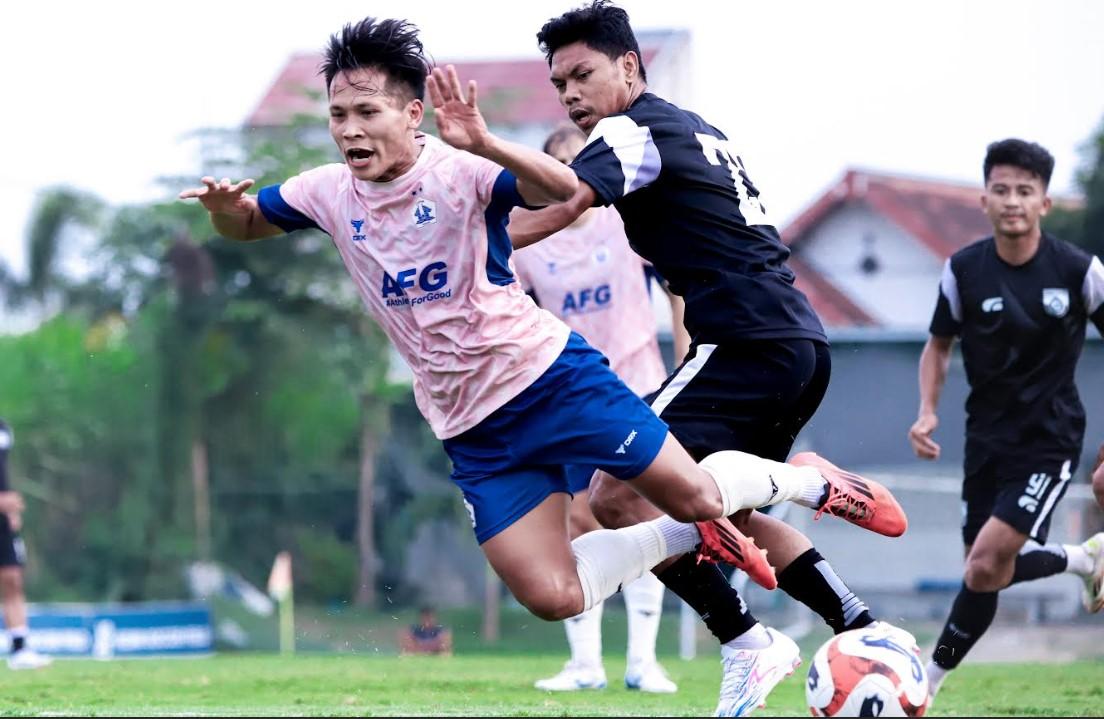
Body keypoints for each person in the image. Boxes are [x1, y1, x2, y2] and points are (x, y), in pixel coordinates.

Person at [179, 17, 889, 643]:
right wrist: (221, 209)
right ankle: (798, 618)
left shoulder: (465, 171)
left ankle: (794, 513)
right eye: (338, 114)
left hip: (553, 380)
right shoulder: (324, 191)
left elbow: (561, 192)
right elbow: (246, 222)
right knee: (555, 595)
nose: (349, 129)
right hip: (470, 426)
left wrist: (486, 142)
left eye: (367, 111)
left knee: (688, 497)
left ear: (412, 113)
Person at [514, 3, 910, 715]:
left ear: (629, 66)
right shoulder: (697, 131)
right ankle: (863, 625)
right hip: (793, 343)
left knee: (613, 496)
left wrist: (474, 235)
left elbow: (567, 194)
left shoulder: (629, 128)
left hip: (747, 344)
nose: (570, 94)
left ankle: (753, 612)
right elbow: (694, 251)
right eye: (558, 83)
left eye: (582, 74)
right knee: (718, 512)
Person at [907, 138, 1104, 704]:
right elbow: (938, 346)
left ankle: (926, 683)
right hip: (985, 439)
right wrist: (926, 411)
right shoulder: (964, 270)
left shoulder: (1078, 270)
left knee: (985, 563)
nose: (1012, 200)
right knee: (986, 571)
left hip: (1051, 439)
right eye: (1001, 190)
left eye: (1025, 190)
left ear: (1044, 203)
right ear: (984, 199)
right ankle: (1084, 558)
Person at [516, 125, 681, 694]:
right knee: (576, 519)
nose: (564, 172)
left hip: (637, 385)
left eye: (574, 161)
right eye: (553, 163)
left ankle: (643, 661)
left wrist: (685, 360)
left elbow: (676, 286)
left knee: (642, 514)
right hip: (567, 395)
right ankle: (586, 664)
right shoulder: (530, 242)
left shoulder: (622, 221)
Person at [0, 419, 52, 670]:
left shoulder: (4, 429)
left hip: (2, 522)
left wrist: (10, 509)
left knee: (12, 578)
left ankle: (20, 648)